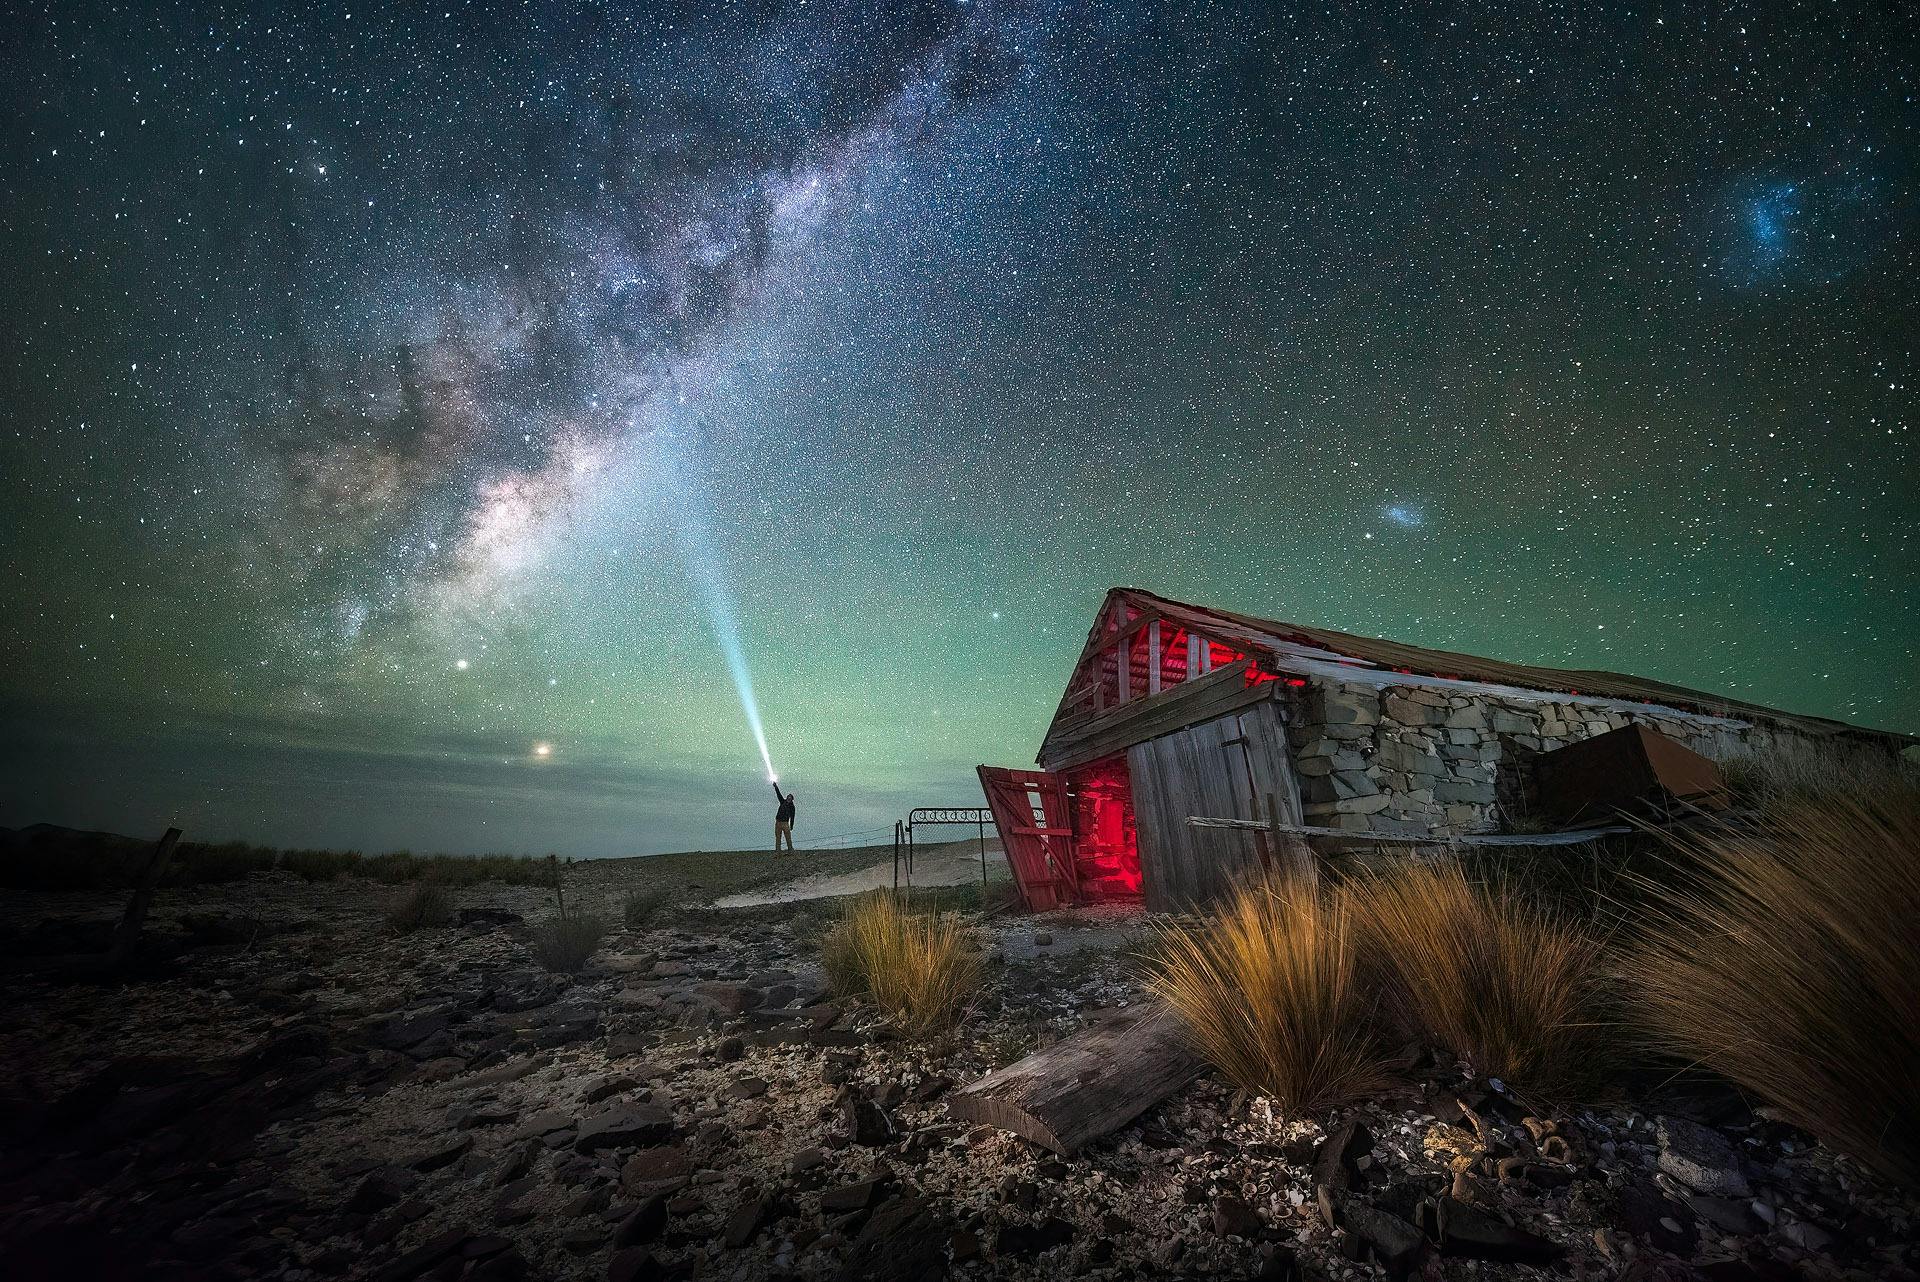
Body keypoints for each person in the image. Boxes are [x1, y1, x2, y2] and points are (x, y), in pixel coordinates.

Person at [772, 781, 796, 854]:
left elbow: (792, 817)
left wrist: (791, 825)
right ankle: (778, 850)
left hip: (785, 823)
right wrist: (776, 787)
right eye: (788, 797)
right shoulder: (782, 802)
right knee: (778, 837)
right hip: (778, 822)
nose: (789, 798)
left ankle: (790, 849)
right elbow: (778, 794)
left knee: (788, 837)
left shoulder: (792, 807)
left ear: (792, 799)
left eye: (790, 798)